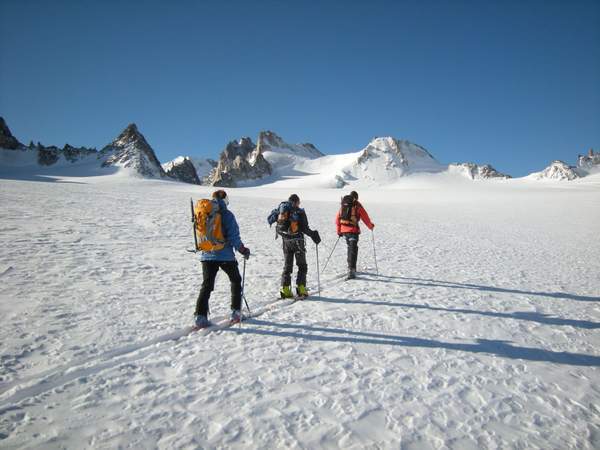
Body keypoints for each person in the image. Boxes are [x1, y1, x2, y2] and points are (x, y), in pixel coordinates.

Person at [193, 190, 250, 328]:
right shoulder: (227, 214)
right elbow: (234, 237)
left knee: (207, 285)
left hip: (206, 255)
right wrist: (243, 250)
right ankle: (236, 312)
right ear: (224, 200)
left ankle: (200, 317)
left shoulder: (203, 212)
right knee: (236, 280)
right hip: (225, 256)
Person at [272, 194, 321, 298]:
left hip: (286, 242)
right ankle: (301, 289)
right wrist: (313, 235)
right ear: (297, 202)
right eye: (299, 202)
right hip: (298, 241)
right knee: (302, 266)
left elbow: (272, 219)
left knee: (287, 266)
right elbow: (304, 228)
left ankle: (285, 290)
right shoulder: (299, 212)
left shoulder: (282, 209)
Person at [335, 190, 374, 279]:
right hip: (353, 230)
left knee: (351, 248)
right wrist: (370, 226)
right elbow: (365, 217)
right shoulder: (356, 204)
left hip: (344, 230)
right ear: (356, 198)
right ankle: (351, 269)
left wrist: (339, 231)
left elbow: (337, 219)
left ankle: (351, 267)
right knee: (353, 249)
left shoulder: (343, 204)